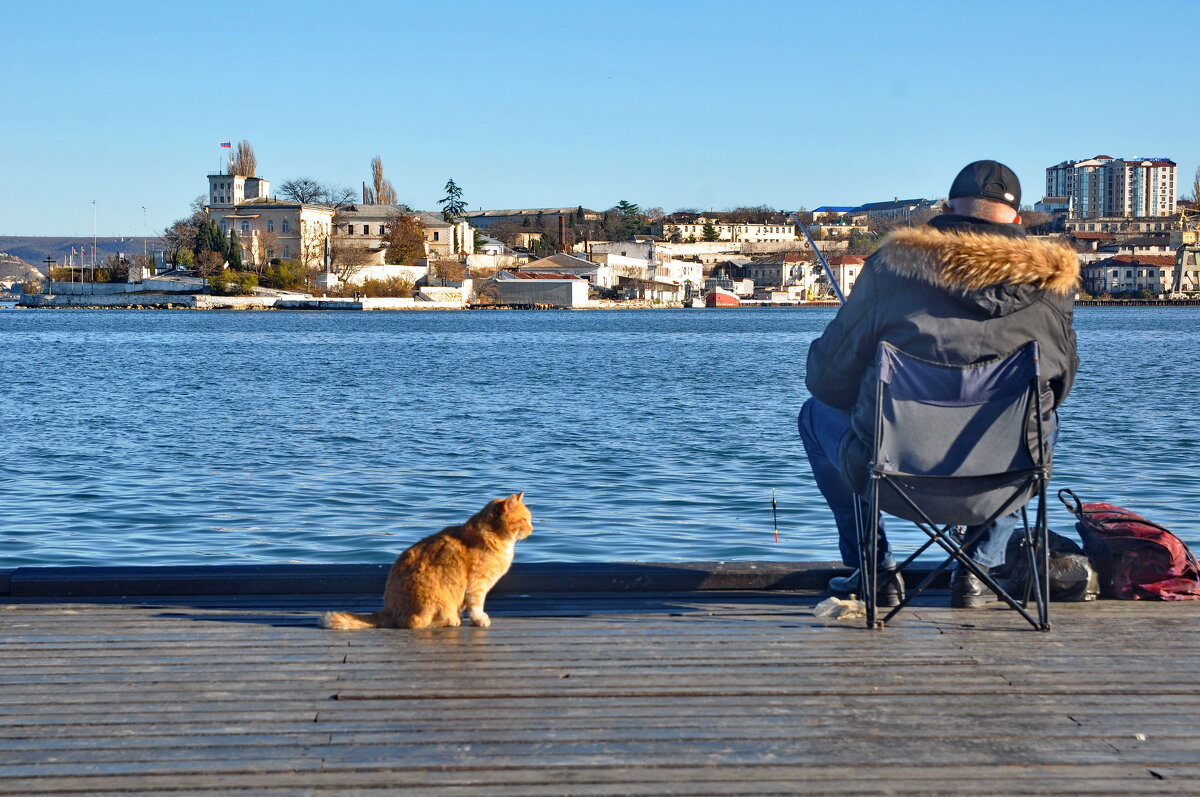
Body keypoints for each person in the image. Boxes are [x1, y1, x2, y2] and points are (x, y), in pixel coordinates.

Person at [798, 160, 1079, 607]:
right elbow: (1060, 384)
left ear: (946, 209)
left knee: (815, 415)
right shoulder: (1052, 288)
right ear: (1019, 222)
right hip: (1004, 479)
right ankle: (977, 568)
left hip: (890, 474)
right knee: (1042, 418)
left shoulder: (891, 269)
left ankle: (874, 569)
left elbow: (827, 384)